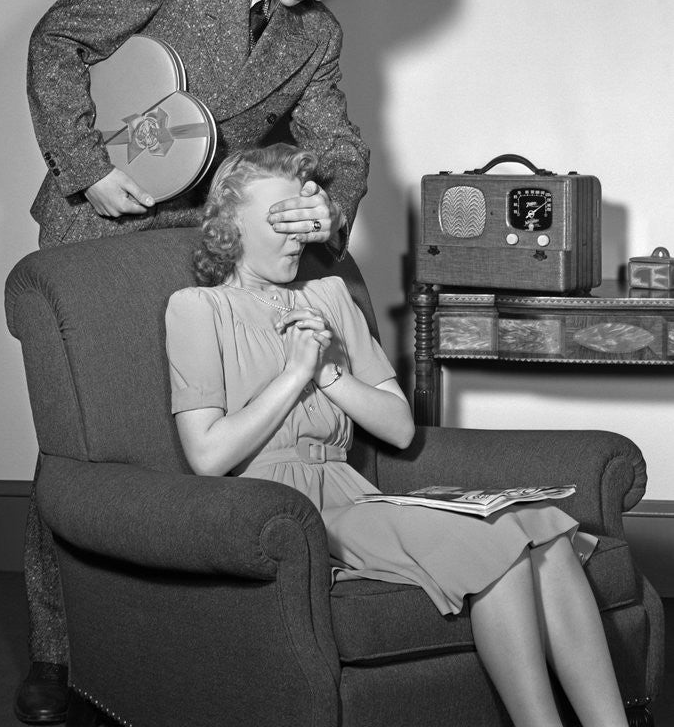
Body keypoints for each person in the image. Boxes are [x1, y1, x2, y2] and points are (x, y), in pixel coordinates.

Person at [17, 0, 395, 724]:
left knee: (189, 429)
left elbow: (336, 140)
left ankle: (176, 627)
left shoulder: (316, 38)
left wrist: (325, 204)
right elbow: (59, 39)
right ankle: (56, 650)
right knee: (81, 436)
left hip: (204, 243)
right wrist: (87, 168)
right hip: (97, 225)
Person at [165, 144, 630, 727]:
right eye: (279, 219)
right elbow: (207, 456)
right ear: (230, 225)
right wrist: (294, 375)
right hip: (284, 509)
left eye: (303, 218)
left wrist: (332, 374)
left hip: (357, 492)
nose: (299, 234)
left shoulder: (329, 296)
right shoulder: (197, 310)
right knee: (504, 550)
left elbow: (399, 427)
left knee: (548, 536)